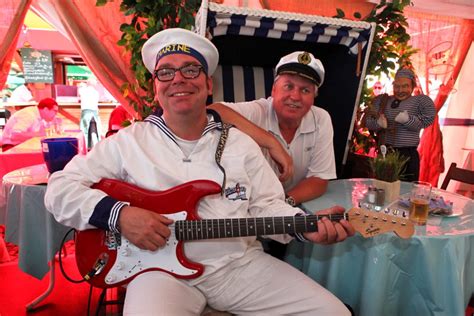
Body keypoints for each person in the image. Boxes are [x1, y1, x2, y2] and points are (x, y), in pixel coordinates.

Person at [44, 28, 354, 315]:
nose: (178, 79)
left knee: (333, 312)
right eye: (166, 72)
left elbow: (267, 205)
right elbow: (59, 189)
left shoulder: (240, 145)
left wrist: (305, 225)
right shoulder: (128, 142)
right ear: (156, 88)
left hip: (237, 266)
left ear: (208, 85)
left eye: (191, 69)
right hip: (157, 273)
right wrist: (119, 215)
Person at [209, 51, 336, 206]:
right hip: (247, 205)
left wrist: (282, 204)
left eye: (305, 90)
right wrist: (271, 142)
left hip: (289, 205)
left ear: (313, 98)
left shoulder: (321, 119)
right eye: (288, 86)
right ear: (274, 90)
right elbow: (214, 110)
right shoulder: (258, 111)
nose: (295, 96)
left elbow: (319, 179)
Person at [365, 68, 436, 181]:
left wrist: (408, 120)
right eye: (397, 86)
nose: (400, 90)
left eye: (405, 86)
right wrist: (377, 123)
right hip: (385, 153)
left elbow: (428, 120)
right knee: (382, 187)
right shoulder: (383, 100)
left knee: (406, 191)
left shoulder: (419, 101)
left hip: (407, 155)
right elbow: (368, 121)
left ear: (412, 86)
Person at [78, 77, 102, 148]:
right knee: (95, 131)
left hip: (86, 112)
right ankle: (96, 147)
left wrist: (82, 85)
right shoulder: (96, 92)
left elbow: (79, 93)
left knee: (85, 131)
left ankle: (85, 148)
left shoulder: (82, 90)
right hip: (94, 113)